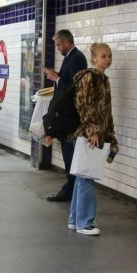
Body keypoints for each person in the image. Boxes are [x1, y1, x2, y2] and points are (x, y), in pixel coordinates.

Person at [68, 42, 117, 236]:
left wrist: (110, 135)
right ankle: (85, 222)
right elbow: (83, 105)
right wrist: (92, 130)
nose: (108, 59)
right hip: (87, 135)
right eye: (104, 56)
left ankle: (75, 219)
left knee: (83, 176)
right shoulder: (89, 77)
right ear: (94, 58)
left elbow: (107, 111)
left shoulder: (104, 80)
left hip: (96, 134)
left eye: (110, 56)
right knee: (87, 177)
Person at [43, 29, 87, 202]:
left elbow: (74, 86)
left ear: (67, 42)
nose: (58, 48)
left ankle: (70, 190)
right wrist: (57, 76)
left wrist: (57, 79)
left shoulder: (77, 58)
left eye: (59, 44)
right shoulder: (70, 57)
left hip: (70, 116)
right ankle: (70, 189)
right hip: (65, 114)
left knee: (70, 155)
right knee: (67, 154)